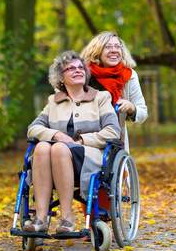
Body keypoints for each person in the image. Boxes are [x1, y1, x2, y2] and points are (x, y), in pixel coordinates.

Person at [25, 50, 120, 233]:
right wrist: (56, 135)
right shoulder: (54, 101)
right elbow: (33, 128)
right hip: (53, 158)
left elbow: (112, 131)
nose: (78, 70)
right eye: (71, 68)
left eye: (81, 67)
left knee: (59, 148)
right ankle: (41, 219)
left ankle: (67, 219)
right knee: (43, 146)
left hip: (89, 156)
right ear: (60, 78)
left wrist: (83, 141)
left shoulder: (100, 98)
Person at [81, 31, 147, 153]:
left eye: (117, 46)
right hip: (82, 133)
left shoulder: (129, 75)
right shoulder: (83, 73)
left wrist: (131, 107)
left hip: (112, 138)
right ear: (97, 51)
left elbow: (143, 114)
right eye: (108, 47)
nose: (114, 50)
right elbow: (61, 95)